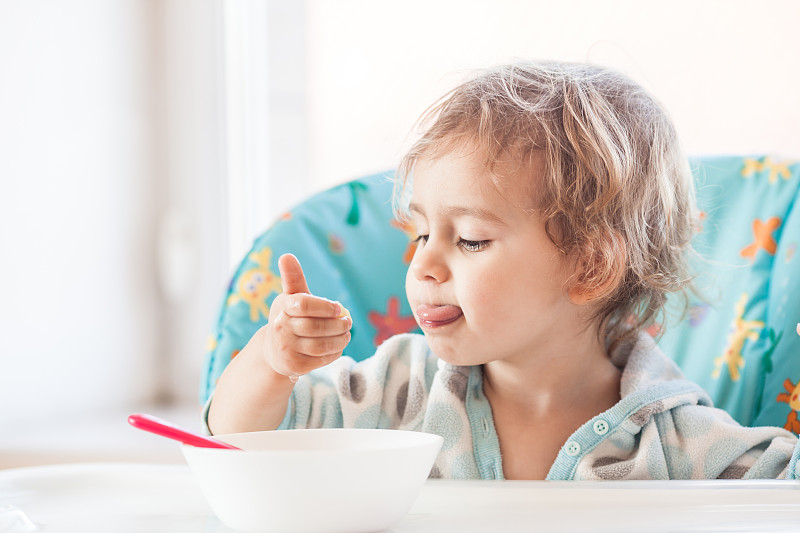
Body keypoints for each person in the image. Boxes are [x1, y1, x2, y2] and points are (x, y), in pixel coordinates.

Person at [206, 61, 800, 480]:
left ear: (591, 266)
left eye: (469, 239)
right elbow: (240, 438)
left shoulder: (675, 442)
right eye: (419, 232)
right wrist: (272, 362)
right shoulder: (395, 392)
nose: (422, 263)